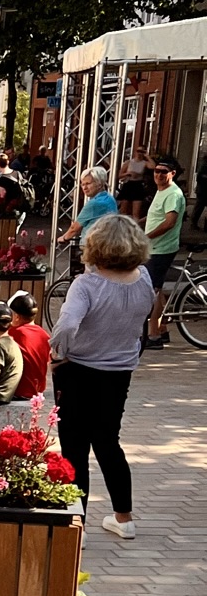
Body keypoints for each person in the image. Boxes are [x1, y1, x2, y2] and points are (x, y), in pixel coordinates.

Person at [49, 212, 155, 538]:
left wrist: (57, 353)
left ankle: (75, 524)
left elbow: (67, 324)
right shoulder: (144, 278)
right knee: (108, 441)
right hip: (119, 371)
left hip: (78, 370)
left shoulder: (86, 285)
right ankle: (124, 518)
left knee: (75, 447)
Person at [142, 153, 186, 347]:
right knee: (157, 289)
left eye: (163, 172)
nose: (158, 174)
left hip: (162, 248)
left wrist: (147, 237)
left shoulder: (173, 194)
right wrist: (135, 223)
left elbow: (169, 222)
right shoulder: (162, 191)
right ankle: (162, 330)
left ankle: (153, 337)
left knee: (152, 291)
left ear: (172, 174)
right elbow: (156, 216)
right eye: (156, 170)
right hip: (155, 247)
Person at [57, 166, 117, 258]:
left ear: (99, 184)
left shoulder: (94, 203)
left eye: (88, 183)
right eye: (82, 184)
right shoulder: (110, 198)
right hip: (108, 244)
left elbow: (75, 228)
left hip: (93, 247)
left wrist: (64, 238)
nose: (84, 187)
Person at [6, 290, 50, 414]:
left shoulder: (13, 334)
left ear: (16, 317)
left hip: (17, 391)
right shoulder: (44, 335)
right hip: (37, 392)